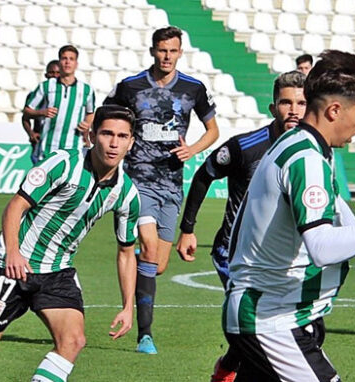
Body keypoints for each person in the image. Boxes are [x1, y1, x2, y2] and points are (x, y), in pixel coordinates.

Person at [222, 50, 355, 381]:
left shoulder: (305, 145)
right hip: (271, 319)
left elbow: (335, 205)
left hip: (277, 314)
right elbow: (321, 246)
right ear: (335, 110)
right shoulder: (306, 158)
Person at [0, 105, 140, 382]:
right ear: (91, 136)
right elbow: (15, 207)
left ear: (131, 142)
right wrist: (13, 253)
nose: (114, 143)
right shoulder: (62, 163)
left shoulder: (127, 194)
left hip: (57, 271)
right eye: (107, 133)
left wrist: (127, 306)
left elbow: (126, 253)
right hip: (12, 265)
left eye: (122, 136)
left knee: (73, 341)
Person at [176, 70, 306, 381]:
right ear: (273, 107)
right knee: (255, 328)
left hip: (280, 257)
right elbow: (204, 174)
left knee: (283, 327)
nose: (294, 110)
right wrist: (188, 228)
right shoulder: (245, 147)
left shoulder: (312, 151)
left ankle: (228, 367)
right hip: (234, 255)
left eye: (301, 103)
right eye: (286, 102)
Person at [104, 26, 219, 354]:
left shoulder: (193, 88)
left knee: (156, 264)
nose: (167, 57)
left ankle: (132, 266)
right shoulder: (131, 86)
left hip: (171, 184)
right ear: (153, 51)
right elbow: (107, 116)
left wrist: (193, 149)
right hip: (136, 181)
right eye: (161, 50)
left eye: (173, 51)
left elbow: (213, 130)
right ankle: (145, 335)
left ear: (180, 52)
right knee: (151, 250)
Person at [23, 46, 95, 162]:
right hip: (46, 149)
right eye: (64, 58)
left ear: (76, 64)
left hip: (73, 149)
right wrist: (42, 112)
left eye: (71, 59)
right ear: (60, 61)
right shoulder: (46, 86)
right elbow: (27, 111)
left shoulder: (86, 90)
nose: (67, 62)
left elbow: (91, 113)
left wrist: (87, 124)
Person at [22, 60, 60, 164]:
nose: (55, 75)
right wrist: (31, 133)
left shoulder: (67, 95)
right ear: (46, 75)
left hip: (59, 141)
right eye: (52, 73)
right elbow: (25, 117)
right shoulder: (36, 95)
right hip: (40, 142)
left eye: (58, 73)